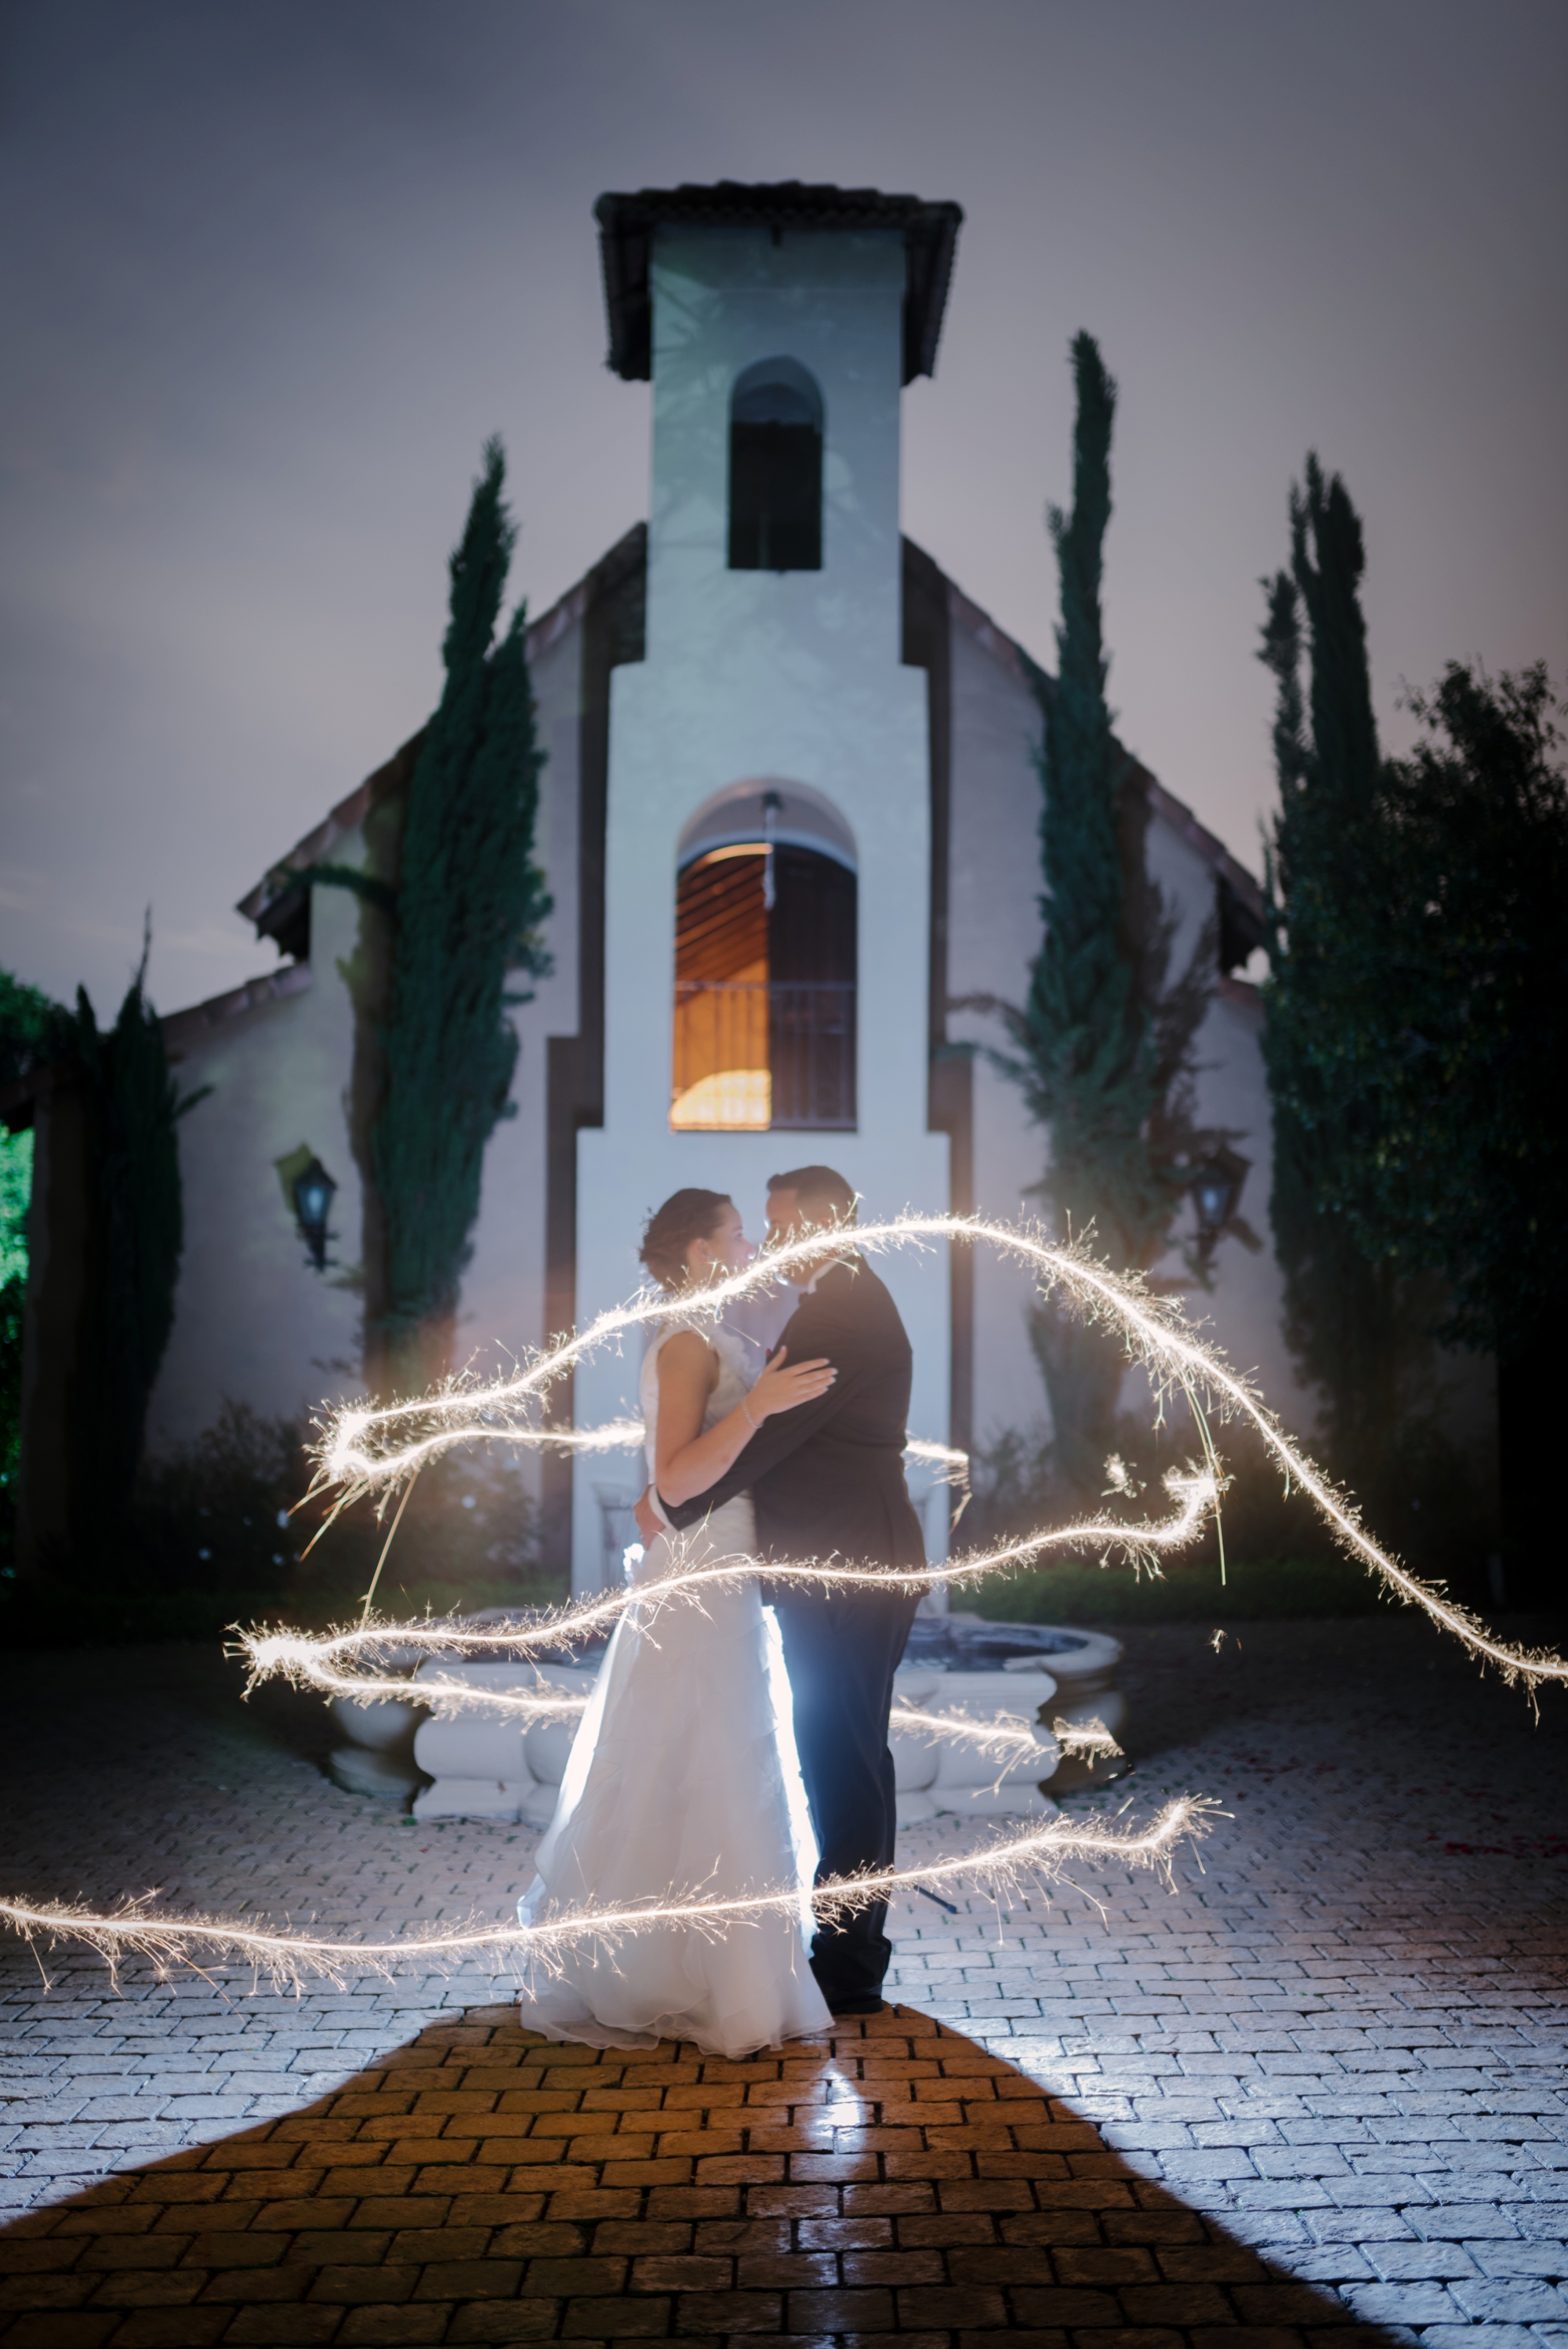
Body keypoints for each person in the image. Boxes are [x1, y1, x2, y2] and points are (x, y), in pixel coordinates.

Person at [514, 1186, 836, 2056]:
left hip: (724, 1568)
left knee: (722, 1756)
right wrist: (758, 1406)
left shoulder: (717, 1332)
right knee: (705, 1756)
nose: (746, 1244)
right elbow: (681, 1477)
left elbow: (669, 1488)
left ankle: (723, 1966)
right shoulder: (687, 1341)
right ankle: (684, 1975)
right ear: (698, 1250)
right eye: (735, 1232)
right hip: (699, 1573)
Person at [645, 1165, 926, 2017]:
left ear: (823, 1223)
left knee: (841, 1762)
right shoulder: (842, 1299)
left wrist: (668, 1499)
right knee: (850, 1756)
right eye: (753, 1228)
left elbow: (758, 1443)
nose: (765, 1244)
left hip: (844, 1569)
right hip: (848, 1561)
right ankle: (851, 1951)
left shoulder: (838, 1313)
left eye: (777, 1225)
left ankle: (846, 1967)